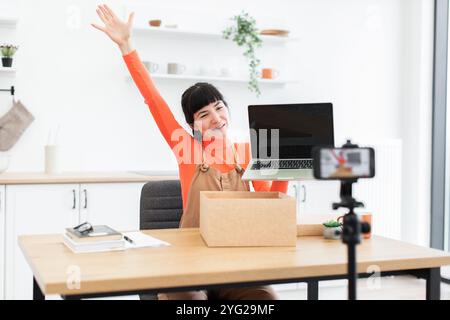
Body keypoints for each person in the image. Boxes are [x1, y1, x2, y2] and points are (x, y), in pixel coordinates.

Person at [92, 4, 289, 300]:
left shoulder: (251, 150)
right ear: (192, 125)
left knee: (263, 299)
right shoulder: (186, 149)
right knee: (190, 302)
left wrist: (286, 169)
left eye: (219, 108)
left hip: (236, 259)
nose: (216, 118)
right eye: (204, 114)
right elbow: (152, 98)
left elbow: (270, 207)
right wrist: (126, 46)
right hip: (188, 258)